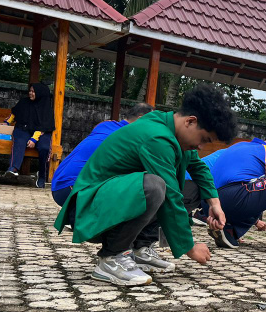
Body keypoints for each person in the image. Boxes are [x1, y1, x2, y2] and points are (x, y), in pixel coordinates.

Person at [54, 84, 235, 286]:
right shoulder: (157, 136)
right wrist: (189, 247)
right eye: (204, 139)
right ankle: (111, 257)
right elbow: (171, 196)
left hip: (111, 202)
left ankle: (140, 248)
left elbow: (198, 167)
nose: (200, 147)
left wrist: (214, 203)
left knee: (191, 189)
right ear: (190, 121)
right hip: (88, 210)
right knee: (155, 186)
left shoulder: (172, 130)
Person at [192, 134, 266, 254]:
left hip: (209, 205)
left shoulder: (239, 146)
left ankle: (229, 230)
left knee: (255, 186)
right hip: (234, 198)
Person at [51, 103, 154, 207]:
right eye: (153, 122)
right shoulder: (129, 137)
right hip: (72, 189)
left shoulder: (106, 125)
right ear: (141, 119)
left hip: (57, 185)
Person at [4, 82, 55, 188]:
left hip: (41, 132)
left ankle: (42, 175)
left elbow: (42, 126)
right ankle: (13, 168)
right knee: (19, 140)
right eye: (30, 91)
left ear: (40, 93)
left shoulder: (46, 108)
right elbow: (14, 113)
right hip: (25, 129)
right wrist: (6, 123)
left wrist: (34, 139)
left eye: (33, 91)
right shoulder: (24, 102)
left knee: (44, 148)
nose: (30, 93)